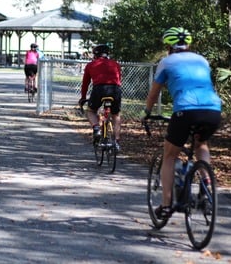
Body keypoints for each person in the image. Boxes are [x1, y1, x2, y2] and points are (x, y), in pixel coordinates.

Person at [142, 27, 222, 220]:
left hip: (185, 110)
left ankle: (166, 205)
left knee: (169, 156)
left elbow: (154, 93)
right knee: (201, 144)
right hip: (213, 109)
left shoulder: (166, 62)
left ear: (169, 46)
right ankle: (206, 186)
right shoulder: (202, 60)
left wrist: (147, 112)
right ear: (189, 44)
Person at [78, 44, 123, 149]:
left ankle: (96, 128)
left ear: (95, 54)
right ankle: (116, 141)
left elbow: (85, 83)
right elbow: (118, 80)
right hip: (115, 90)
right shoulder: (116, 64)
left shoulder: (91, 65)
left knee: (91, 111)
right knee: (116, 115)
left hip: (99, 89)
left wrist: (83, 97)